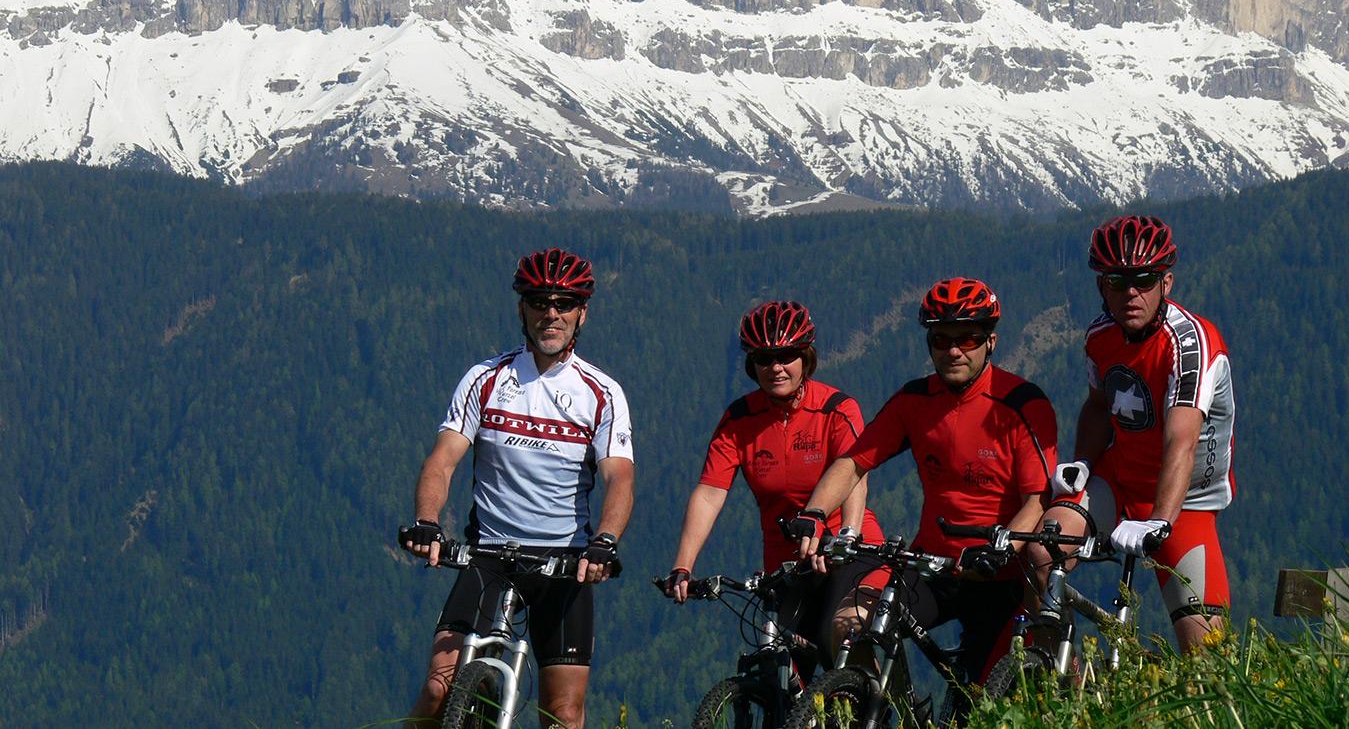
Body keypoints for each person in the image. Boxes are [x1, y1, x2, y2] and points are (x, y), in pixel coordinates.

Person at [399, 247, 635, 727]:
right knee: (437, 689)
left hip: (565, 564)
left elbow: (619, 478)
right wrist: (427, 522)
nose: (552, 313)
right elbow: (443, 461)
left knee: (564, 713)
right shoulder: (485, 379)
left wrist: (605, 542)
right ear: (522, 309)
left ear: (581, 313)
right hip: (489, 557)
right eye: (539, 302)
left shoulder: (601, 392)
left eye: (564, 303)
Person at [789, 278, 1058, 684]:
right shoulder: (914, 401)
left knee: (986, 700)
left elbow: (1037, 498)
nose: (953, 351)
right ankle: (893, 710)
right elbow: (854, 462)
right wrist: (814, 512)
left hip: (998, 575)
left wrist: (1004, 549)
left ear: (991, 341)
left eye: (967, 338)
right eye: (940, 339)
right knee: (850, 624)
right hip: (934, 566)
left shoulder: (1021, 403)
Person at [1029, 215, 1235, 651]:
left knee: (1209, 660)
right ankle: (1064, 680)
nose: (1131, 293)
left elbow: (1181, 440)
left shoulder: (1191, 344)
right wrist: (1083, 461)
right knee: (1042, 550)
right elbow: (1099, 405)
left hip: (1187, 503)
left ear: (1167, 282)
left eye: (1144, 280)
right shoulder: (1100, 336)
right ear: (1102, 286)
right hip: (1119, 484)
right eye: (1117, 282)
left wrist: (1159, 521)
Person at [666, 301, 885, 664]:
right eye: (765, 359)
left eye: (787, 356)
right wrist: (683, 565)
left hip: (847, 550)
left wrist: (846, 537)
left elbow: (855, 478)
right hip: (787, 562)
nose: (776, 368)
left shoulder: (836, 409)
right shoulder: (740, 419)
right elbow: (709, 493)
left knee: (843, 639)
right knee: (780, 662)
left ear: (806, 357)